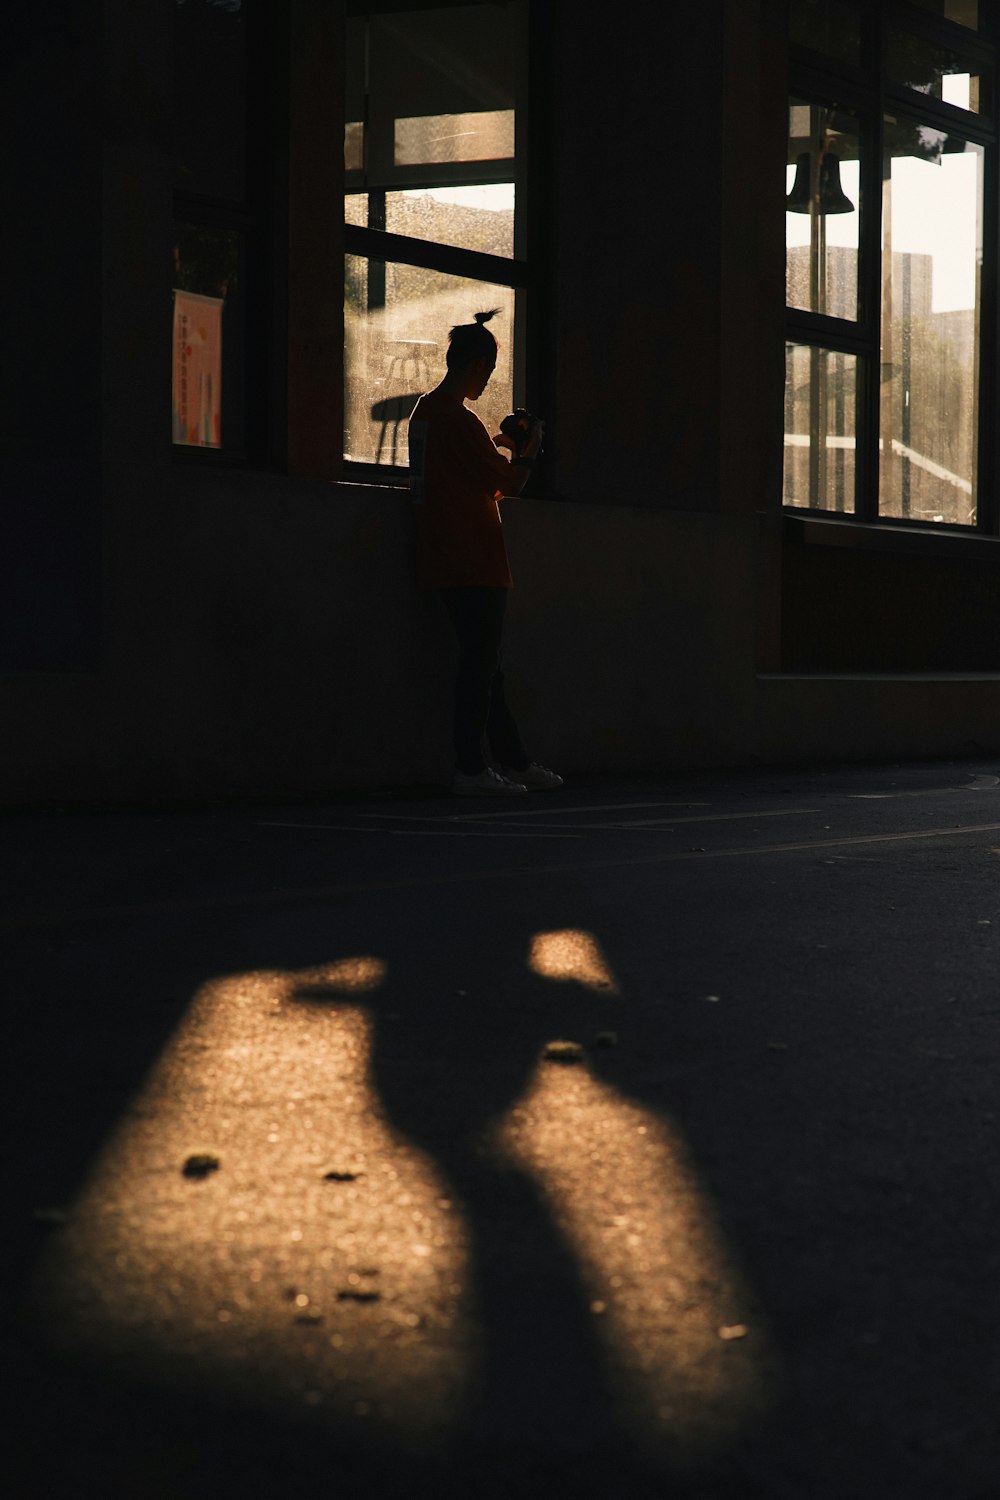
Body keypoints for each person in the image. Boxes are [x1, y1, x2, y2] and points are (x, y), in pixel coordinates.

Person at [408, 310, 563, 797]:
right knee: (480, 667)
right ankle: (472, 767)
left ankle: (511, 760)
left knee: (484, 664)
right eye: (488, 371)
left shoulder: (425, 413)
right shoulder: (458, 420)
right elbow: (508, 484)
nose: (487, 381)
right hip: (475, 557)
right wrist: (528, 450)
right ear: (475, 365)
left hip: (440, 552)